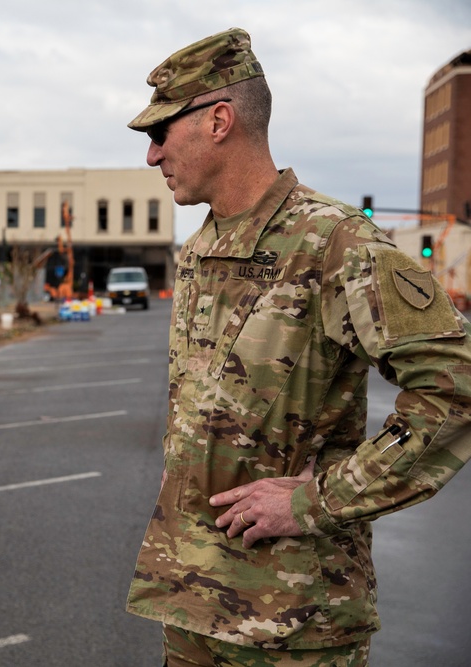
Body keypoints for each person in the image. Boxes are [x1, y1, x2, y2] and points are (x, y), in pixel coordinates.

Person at [124, 27, 471, 666]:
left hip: (294, 626)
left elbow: (455, 388)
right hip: (191, 607)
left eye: (159, 133)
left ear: (219, 120)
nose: (152, 156)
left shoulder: (336, 242)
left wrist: (320, 499)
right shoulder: (200, 249)